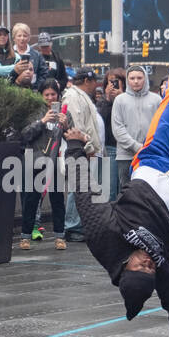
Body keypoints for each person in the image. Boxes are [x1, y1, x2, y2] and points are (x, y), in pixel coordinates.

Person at [64, 20, 169, 337]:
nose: (149, 262)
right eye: (151, 268)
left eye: (141, 266)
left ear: (125, 267)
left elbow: (84, 193)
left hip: (152, 161)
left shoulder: (104, 235)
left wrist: (75, 148)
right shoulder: (158, 266)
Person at [18, 79, 70, 251]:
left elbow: (71, 135)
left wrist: (66, 125)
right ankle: (25, 236)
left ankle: (59, 236)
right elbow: (25, 134)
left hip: (54, 160)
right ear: (41, 95)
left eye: (53, 94)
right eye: (46, 95)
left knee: (57, 199)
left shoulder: (64, 111)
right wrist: (42, 121)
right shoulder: (34, 110)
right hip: (35, 159)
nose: (49, 98)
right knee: (31, 200)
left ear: (58, 95)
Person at [61, 69, 103, 242]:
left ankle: (78, 225)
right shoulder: (72, 96)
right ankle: (72, 226)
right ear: (87, 80)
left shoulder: (81, 95)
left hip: (85, 149)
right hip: (77, 148)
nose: (96, 85)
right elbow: (75, 126)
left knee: (82, 187)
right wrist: (85, 146)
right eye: (94, 82)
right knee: (76, 187)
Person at [111, 64, 161, 196]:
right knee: (126, 193)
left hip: (150, 154)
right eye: (132, 78)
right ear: (127, 80)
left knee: (150, 192)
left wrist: (148, 147)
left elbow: (160, 127)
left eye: (139, 77)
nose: (136, 81)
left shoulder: (156, 100)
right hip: (125, 156)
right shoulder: (120, 100)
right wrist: (136, 147)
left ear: (145, 79)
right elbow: (117, 128)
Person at [98, 68, 125, 200]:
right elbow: (100, 120)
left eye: (117, 82)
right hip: (110, 147)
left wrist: (121, 97)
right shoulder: (103, 101)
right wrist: (108, 99)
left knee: (124, 189)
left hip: (126, 148)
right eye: (110, 82)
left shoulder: (127, 99)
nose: (113, 85)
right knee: (109, 189)